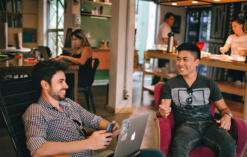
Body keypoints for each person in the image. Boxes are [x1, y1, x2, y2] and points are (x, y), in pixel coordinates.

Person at [23, 60, 165, 157]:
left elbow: (92, 119)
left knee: (155, 154)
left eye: (65, 80)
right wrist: (88, 143)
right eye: (61, 81)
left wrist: (110, 126)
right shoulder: (36, 110)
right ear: (45, 84)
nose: (66, 85)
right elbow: (38, 149)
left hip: (96, 155)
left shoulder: (68, 103)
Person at [157, 43, 236, 157]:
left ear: (197, 62)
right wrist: (161, 112)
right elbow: (163, 111)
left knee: (229, 144)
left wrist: (227, 116)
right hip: (186, 126)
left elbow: (224, 108)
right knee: (179, 148)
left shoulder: (209, 84)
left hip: (209, 125)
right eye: (178, 59)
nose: (180, 63)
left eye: (185, 60)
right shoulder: (171, 84)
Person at [53, 29, 93, 98]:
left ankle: (67, 102)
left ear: (81, 39)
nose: (74, 41)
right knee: (61, 78)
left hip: (83, 78)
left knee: (63, 80)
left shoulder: (86, 48)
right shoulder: (79, 49)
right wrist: (60, 58)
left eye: (75, 39)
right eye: (73, 39)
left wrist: (66, 57)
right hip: (78, 74)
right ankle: (64, 101)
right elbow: (74, 60)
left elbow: (81, 61)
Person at [220, 18, 247, 82]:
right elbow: (226, 48)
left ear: (241, 25)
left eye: (235, 26)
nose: (233, 28)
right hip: (233, 63)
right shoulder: (231, 37)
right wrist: (222, 49)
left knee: (242, 83)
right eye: (232, 27)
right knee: (232, 82)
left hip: (245, 64)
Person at [151, 12, 177, 86]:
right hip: (163, 52)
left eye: (173, 19)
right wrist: (174, 41)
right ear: (166, 19)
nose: (173, 21)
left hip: (164, 51)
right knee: (163, 70)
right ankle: (155, 85)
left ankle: (156, 85)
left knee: (162, 70)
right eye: (171, 19)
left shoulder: (166, 27)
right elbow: (165, 40)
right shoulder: (165, 27)